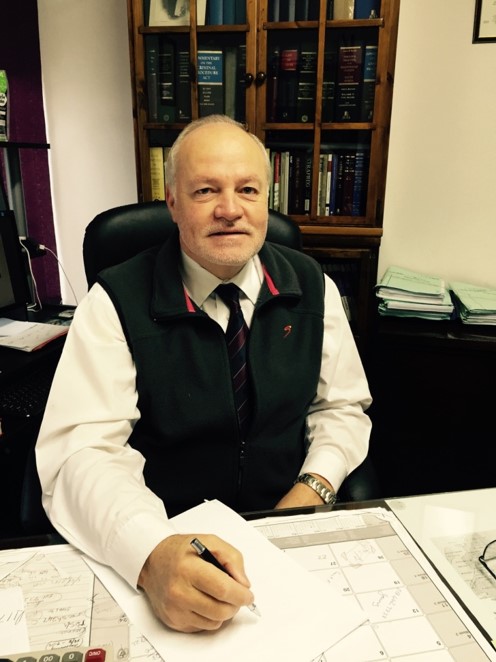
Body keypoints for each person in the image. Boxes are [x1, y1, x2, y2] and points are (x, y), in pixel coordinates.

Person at [36, 114, 372, 633]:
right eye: (205, 190)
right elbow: (83, 450)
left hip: (287, 529)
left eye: (247, 190)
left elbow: (341, 408)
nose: (229, 209)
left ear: (265, 200)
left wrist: (311, 492)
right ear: (172, 202)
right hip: (166, 534)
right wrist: (151, 552)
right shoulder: (115, 301)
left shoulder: (312, 286)